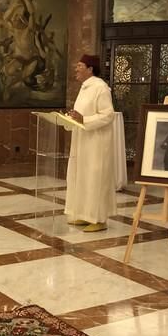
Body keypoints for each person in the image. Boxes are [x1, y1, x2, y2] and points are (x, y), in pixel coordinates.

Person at [64, 54, 116, 232]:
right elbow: (81, 114)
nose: (76, 69)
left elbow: (108, 115)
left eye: (79, 66)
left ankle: (99, 219)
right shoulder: (85, 88)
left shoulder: (100, 88)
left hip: (96, 144)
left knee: (95, 179)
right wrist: (73, 118)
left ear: (90, 69)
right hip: (82, 141)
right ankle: (85, 215)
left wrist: (84, 119)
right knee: (82, 178)